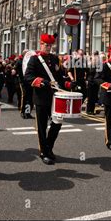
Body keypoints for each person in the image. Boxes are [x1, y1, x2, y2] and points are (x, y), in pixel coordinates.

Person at [24, 34, 65, 165]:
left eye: (50, 45)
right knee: (42, 126)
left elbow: (60, 76)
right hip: (41, 97)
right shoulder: (34, 60)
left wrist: (69, 84)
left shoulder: (54, 59)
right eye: (46, 45)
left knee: (57, 123)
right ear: (41, 44)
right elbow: (28, 76)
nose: (48, 48)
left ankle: (48, 147)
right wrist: (41, 82)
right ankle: (44, 152)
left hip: (55, 96)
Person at [15, 50, 34, 119]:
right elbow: (15, 69)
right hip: (22, 82)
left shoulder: (30, 61)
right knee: (24, 95)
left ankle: (28, 112)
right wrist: (13, 71)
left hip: (30, 82)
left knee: (30, 98)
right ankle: (22, 111)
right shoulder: (19, 61)